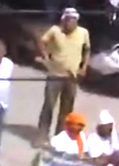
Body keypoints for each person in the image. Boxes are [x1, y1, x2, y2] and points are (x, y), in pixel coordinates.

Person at [35, 8, 90, 139]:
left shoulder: (83, 33)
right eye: (68, 20)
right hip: (55, 74)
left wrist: (84, 67)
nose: (71, 23)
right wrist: (46, 57)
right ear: (63, 20)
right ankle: (42, 134)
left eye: (73, 20)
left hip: (72, 77)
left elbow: (86, 50)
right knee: (49, 105)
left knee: (67, 109)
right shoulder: (55, 30)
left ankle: (59, 137)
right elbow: (42, 42)